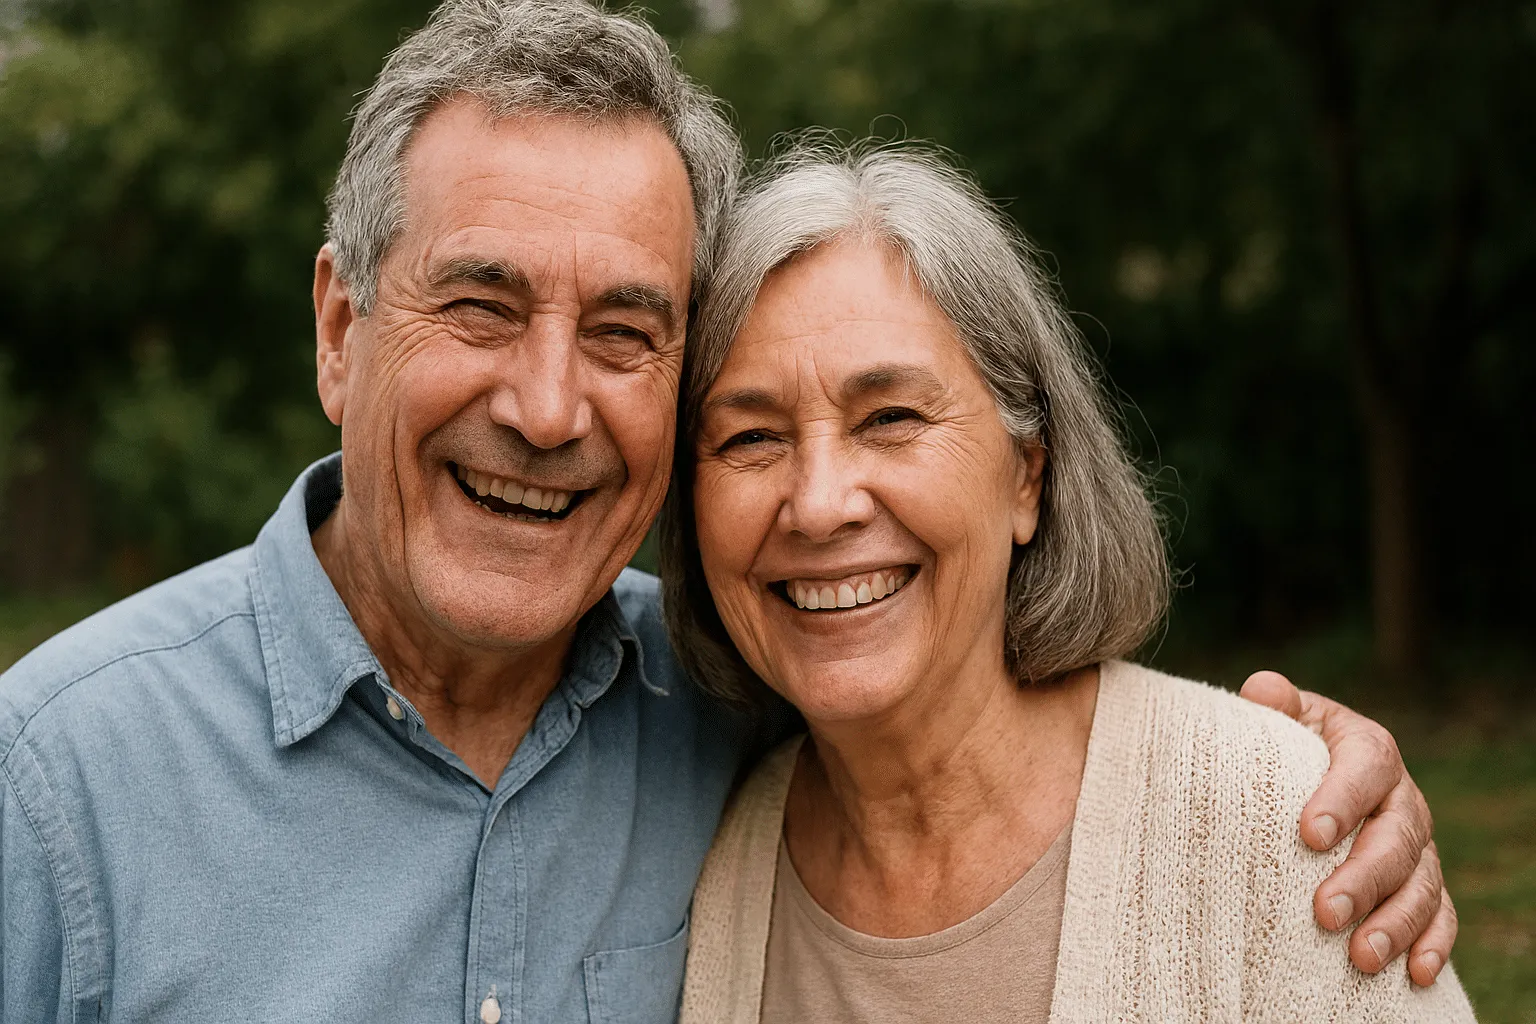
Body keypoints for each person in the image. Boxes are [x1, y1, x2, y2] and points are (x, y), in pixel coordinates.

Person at [0, 2, 1450, 1021]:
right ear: (338, 328)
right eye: (482, 304)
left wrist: (1298, 791)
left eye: (627, 333)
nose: (552, 408)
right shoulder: (56, 788)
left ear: (1032, 470)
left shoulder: (733, 709)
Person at [666, 142, 1475, 1022]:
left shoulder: (1277, 821)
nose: (818, 506)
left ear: (1028, 478)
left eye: (890, 417)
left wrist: (1279, 777)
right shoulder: (703, 842)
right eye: (750, 437)